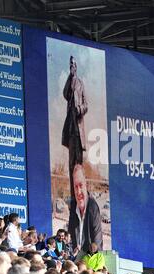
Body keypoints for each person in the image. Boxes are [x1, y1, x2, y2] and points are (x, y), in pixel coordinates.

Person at [62, 56, 89, 199]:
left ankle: (81, 194)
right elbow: (65, 94)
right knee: (71, 162)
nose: (72, 66)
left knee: (80, 163)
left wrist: (79, 109)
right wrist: (69, 77)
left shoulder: (80, 83)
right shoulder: (70, 82)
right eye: (70, 64)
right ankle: (73, 195)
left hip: (79, 128)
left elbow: (86, 104)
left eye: (74, 64)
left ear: (77, 66)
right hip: (71, 129)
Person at [68, 164, 103, 254]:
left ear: (86, 185)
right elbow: (70, 234)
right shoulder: (73, 204)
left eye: (81, 185)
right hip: (75, 258)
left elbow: (97, 244)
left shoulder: (93, 207)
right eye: (76, 187)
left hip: (89, 260)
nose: (78, 191)